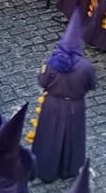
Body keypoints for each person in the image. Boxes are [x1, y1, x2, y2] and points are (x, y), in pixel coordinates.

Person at [29, 12, 94, 183]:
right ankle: (69, 168)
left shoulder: (51, 63)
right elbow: (91, 85)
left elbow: (43, 82)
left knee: (49, 136)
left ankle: (46, 169)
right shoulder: (86, 67)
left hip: (52, 104)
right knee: (72, 137)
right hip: (75, 106)